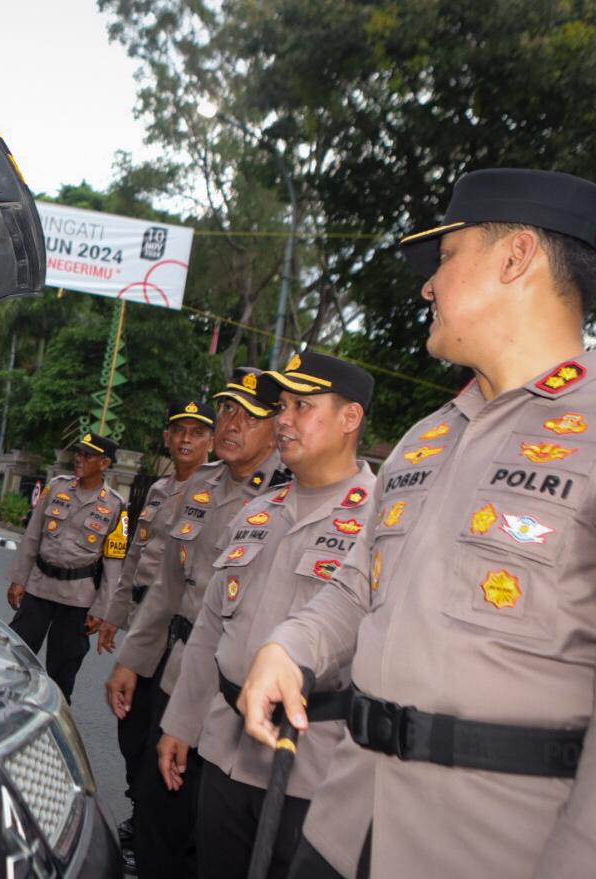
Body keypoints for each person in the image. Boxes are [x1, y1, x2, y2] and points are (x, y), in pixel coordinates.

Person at [236, 169, 596, 879]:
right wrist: (291, 646)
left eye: (445, 258)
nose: (427, 288)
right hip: (342, 827)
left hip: (495, 850)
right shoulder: (425, 438)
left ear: (514, 257)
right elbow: (354, 587)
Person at [157, 353, 376, 878]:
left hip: (313, 768)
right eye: (281, 406)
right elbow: (211, 628)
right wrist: (181, 725)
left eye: (303, 406)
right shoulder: (260, 510)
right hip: (224, 751)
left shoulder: (381, 519)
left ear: (351, 419)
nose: (283, 419)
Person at [114, 371, 293, 877]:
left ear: (274, 425)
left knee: (214, 829)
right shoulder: (201, 486)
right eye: (227, 411)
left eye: (249, 415)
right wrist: (133, 659)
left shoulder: (288, 492)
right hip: (177, 674)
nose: (231, 424)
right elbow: (169, 588)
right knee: (156, 810)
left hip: (238, 691)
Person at [87, 400, 214, 867]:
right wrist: (113, 619)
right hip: (146, 618)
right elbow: (134, 564)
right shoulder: (159, 490)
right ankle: (142, 809)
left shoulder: (215, 490)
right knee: (131, 724)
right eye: (178, 431)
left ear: (210, 442)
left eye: (197, 433)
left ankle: (151, 824)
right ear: (167, 438)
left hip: (178, 632)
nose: (186, 439)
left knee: (160, 733)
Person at [4, 432, 127, 701]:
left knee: (62, 671)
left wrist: (102, 609)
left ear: (104, 463)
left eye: (87, 455)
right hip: (39, 588)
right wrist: (18, 579)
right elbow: (32, 537)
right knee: (16, 656)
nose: (79, 459)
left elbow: (113, 564)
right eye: (78, 453)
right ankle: (4, 709)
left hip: (78, 599)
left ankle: (52, 727)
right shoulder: (56, 489)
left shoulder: (115, 505)